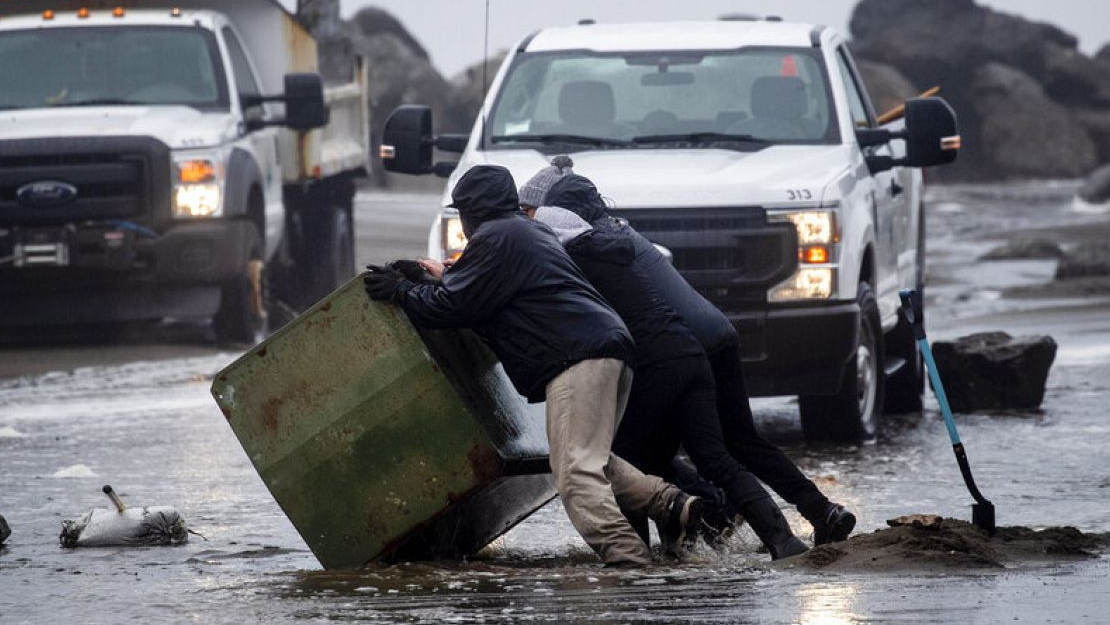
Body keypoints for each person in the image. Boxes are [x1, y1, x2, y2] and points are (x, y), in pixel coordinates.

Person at [363, 164, 702, 567]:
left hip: (580, 357)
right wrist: (427, 278)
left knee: (575, 474)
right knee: (587, 455)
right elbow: (478, 286)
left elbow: (455, 306)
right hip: (607, 349)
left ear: (473, 210)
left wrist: (402, 291)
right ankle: (672, 505)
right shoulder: (525, 231)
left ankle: (627, 561)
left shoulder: (496, 237)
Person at [539, 171, 857, 548]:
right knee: (738, 443)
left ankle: (664, 544)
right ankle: (818, 511)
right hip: (717, 333)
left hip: (681, 348)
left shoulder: (588, 249)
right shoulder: (622, 234)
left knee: (654, 455)